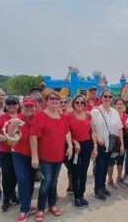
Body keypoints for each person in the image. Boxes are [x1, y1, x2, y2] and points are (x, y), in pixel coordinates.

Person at [30, 91, 73, 222]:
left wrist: (70, 145)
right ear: (46, 101)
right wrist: (35, 156)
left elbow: (67, 132)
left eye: (57, 99)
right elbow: (33, 137)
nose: (55, 101)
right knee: (46, 182)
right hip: (45, 157)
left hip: (58, 156)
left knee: (54, 181)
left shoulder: (61, 116)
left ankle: (52, 204)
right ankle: (41, 208)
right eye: (52, 99)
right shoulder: (40, 116)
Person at [7, 96, 38, 222]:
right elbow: (10, 142)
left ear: (36, 107)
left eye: (32, 106)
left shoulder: (38, 118)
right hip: (19, 154)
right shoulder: (16, 120)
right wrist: (14, 131)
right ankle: (24, 209)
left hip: (34, 154)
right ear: (22, 107)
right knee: (23, 179)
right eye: (26, 106)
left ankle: (27, 204)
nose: (29, 108)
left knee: (30, 181)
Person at [91, 89, 124, 201]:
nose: (108, 98)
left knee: (106, 167)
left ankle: (103, 186)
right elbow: (91, 128)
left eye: (110, 97)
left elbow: (119, 129)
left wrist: (122, 144)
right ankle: (97, 189)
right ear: (102, 97)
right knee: (99, 167)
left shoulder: (114, 112)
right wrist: (97, 137)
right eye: (105, 96)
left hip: (111, 145)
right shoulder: (95, 112)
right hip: (100, 144)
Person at [65, 94, 93, 208]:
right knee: (76, 171)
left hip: (87, 145)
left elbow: (92, 131)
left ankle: (81, 194)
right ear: (73, 103)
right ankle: (76, 196)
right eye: (77, 102)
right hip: (76, 147)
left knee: (84, 171)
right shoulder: (68, 116)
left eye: (82, 102)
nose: (80, 104)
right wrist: (74, 142)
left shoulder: (88, 115)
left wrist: (94, 145)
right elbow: (66, 132)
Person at [0, 96, 20, 212]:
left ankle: (13, 194)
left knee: (16, 175)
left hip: (20, 152)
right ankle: (6, 198)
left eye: (14, 103)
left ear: (18, 105)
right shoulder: (0, 118)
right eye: (8, 103)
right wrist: (10, 138)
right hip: (5, 152)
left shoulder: (21, 117)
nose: (11, 105)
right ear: (5, 105)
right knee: (6, 175)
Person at [107, 98, 128, 189]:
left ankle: (119, 178)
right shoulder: (111, 115)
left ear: (124, 106)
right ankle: (110, 180)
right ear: (115, 106)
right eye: (118, 104)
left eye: (121, 104)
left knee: (120, 160)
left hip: (124, 141)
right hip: (113, 142)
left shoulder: (127, 116)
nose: (120, 106)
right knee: (111, 162)